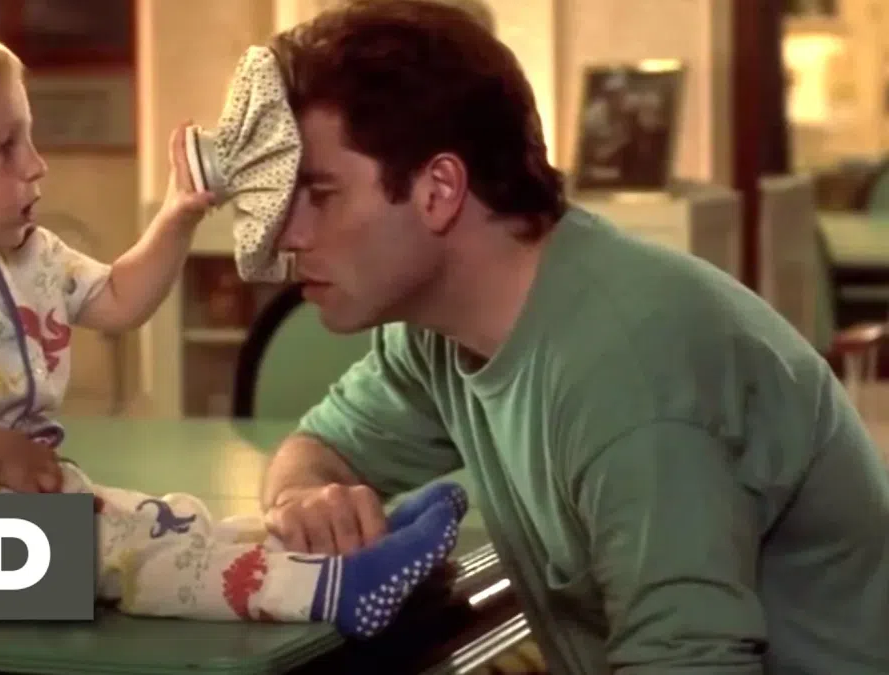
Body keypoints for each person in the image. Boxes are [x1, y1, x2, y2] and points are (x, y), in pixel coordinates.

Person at [0, 15, 469, 638]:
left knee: (168, 522)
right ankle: (332, 590)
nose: (36, 164)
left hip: (20, 514)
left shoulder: (26, 256)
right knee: (131, 553)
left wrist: (177, 214)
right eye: (5, 147)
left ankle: (341, 545)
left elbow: (117, 300)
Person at [256, 1, 889, 672]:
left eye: (320, 193)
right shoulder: (437, 332)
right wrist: (305, 499)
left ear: (438, 190)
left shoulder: (629, 366)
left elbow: (687, 664)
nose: (287, 235)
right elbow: (319, 447)